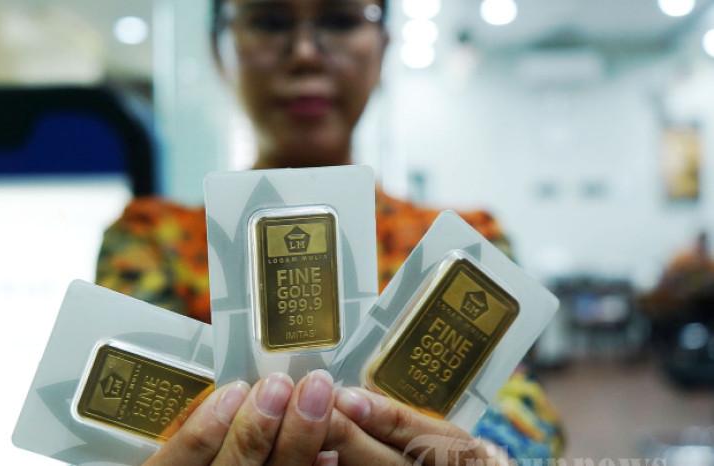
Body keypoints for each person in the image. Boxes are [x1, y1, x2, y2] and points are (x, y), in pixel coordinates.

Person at [97, 0, 564, 464]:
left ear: (383, 48)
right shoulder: (151, 240)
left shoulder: (471, 243)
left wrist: (493, 456)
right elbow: (114, 431)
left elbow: (520, 403)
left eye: (340, 21)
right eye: (269, 21)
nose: (305, 53)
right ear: (221, 50)